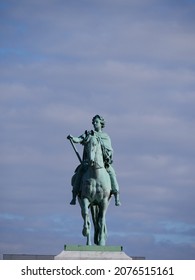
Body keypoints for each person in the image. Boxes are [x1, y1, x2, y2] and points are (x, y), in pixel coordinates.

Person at [67, 115, 121, 206]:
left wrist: (107, 155)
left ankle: (116, 195)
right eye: (94, 122)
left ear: (101, 124)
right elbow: (79, 139)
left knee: (112, 173)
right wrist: (73, 138)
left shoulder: (105, 136)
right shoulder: (89, 134)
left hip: (103, 163)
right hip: (88, 162)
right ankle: (74, 195)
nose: (94, 124)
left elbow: (110, 149)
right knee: (79, 172)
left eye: (97, 122)